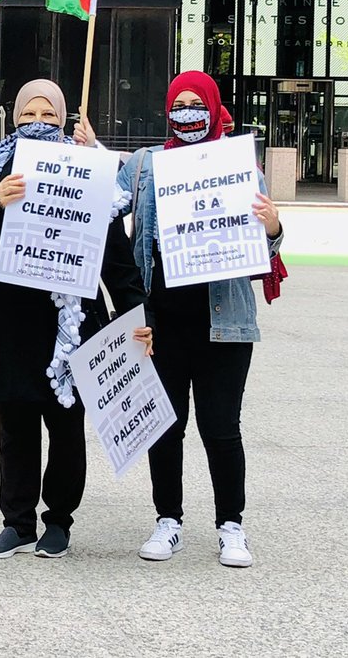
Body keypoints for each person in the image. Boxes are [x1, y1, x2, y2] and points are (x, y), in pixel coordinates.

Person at [0, 79, 152, 560]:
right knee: (13, 424)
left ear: (63, 120)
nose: (37, 123)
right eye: (27, 114)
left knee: (65, 424)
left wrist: (137, 316)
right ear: (13, 119)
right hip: (11, 319)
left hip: (70, 321)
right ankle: (16, 523)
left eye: (48, 115)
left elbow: (116, 258)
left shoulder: (86, 174)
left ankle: (58, 520)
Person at [116, 70, 283, 569]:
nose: (188, 113)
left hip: (223, 321)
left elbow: (263, 243)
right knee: (164, 427)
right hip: (160, 320)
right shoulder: (146, 166)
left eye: (197, 104)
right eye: (179, 104)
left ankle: (231, 525)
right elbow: (103, 202)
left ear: (212, 107)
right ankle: (169, 520)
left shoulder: (237, 166)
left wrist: (273, 226)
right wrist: (83, 154)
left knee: (221, 428)